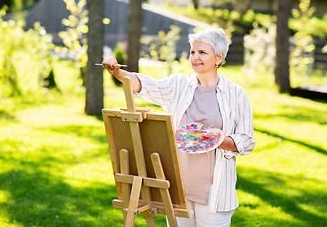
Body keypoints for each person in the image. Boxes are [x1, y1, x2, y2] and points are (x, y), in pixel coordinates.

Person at [102, 28, 255, 227]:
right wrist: (117, 72)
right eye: (192, 52)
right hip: (178, 187)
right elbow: (145, 85)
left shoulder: (236, 94)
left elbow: (247, 140)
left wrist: (217, 140)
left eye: (202, 53)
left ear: (219, 57)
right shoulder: (179, 85)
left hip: (213, 192)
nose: (195, 57)